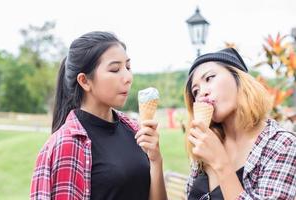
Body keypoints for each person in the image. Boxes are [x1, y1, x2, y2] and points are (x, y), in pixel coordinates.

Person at [30, 31, 167, 200]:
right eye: (115, 69)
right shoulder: (65, 145)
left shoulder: (134, 129)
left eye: (128, 67)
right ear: (85, 81)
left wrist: (155, 160)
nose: (128, 77)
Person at [184, 48, 296, 199]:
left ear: (239, 79)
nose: (202, 92)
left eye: (210, 78)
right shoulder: (207, 143)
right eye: (195, 91)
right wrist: (156, 160)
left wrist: (220, 163)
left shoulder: (282, 145)